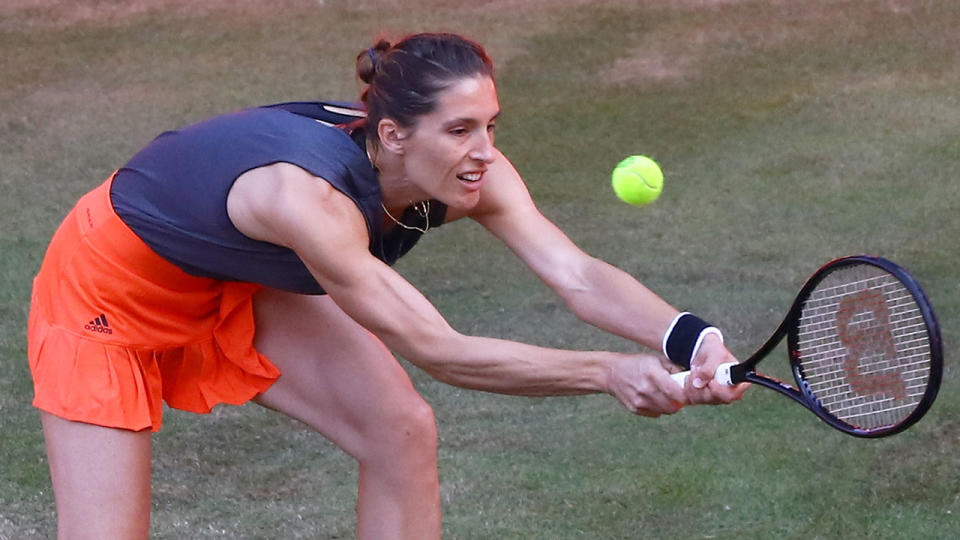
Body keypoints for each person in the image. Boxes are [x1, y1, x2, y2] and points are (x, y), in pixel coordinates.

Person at [27, 32, 747, 539]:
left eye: (491, 125)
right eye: (461, 129)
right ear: (395, 134)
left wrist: (695, 339)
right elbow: (439, 349)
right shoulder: (305, 200)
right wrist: (605, 372)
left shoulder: (471, 174)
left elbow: (577, 274)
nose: (486, 153)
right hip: (108, 292)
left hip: (234, 272)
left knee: (400, 430)